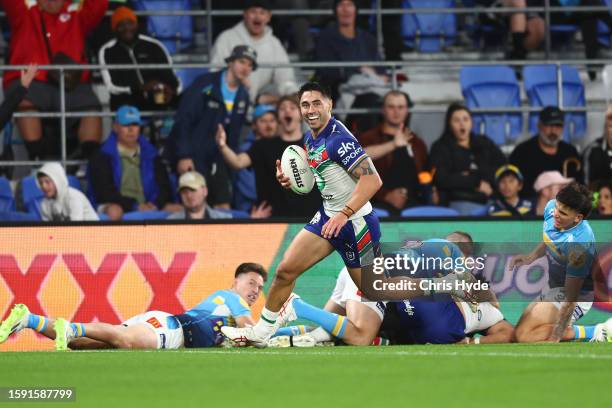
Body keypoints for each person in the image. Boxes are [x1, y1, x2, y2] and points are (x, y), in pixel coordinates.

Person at [220, 82, 481, 347]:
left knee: (375, 288)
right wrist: (291, 180)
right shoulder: (310, 137)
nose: (310, 110)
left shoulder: (339, 140)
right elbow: (322, 179)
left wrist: (343, 214)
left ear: (330, 104)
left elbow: (373, 181)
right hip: (328, 217)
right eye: (305, 104)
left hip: (357, 225)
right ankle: (261, 333)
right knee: (285, 271)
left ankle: (434, 286)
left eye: (316, 103)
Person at [269, 233, 513, 347]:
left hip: (360, 273)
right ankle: (297, 306)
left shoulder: (425, 253)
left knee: (330, 329)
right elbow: (472, 283)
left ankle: (270, 334)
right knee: (361, 335)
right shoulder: (448, 254)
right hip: (372, 280)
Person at [0, 263, 277, 350]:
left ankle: (29, 320)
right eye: (251, 283)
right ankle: (70, 326)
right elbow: (249, 330)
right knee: (125, 342)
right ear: (236, 282)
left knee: (81, 344)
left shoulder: (226, 303)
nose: (256, 291)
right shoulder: (233, 300)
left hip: (163, 323)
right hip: (172, 330)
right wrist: (274, 334)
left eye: (260, 287)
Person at [1, 0, 108, 160]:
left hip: (71, 83)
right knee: (25, 104)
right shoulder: (24, 13)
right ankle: (39, 158)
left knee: (91, 110)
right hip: (32, 79)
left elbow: (97, 5)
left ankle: (89, 162)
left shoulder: (77, 15)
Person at [165, 45, 253, 208]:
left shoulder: (243, 96)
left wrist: (229, 167)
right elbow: (183, 119)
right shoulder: (205, 84)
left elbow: (234, 135)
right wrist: (183, 155)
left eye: (250, 65)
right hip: (194, 155)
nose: (246, 68)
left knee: (223, 207)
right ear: (231, 62)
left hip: (218, 159)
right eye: (242, 62)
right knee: (194, 206)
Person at [510, 182, 599, 343]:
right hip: (554, 287)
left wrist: (557, 335)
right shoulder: (552, 207)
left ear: (578, 218)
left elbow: (571, 298)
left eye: (563, 213)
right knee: (517, 334)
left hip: (576, 297)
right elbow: (551, 238)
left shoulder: (579, 246)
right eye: (557, 208)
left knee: (525, 336)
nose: (555, 214)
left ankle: (596, 331)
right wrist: (531, 256)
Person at [217, 94, 321, 217]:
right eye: (282, 108)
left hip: (311, 219)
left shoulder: (316, 144)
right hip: (273, 220)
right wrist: (222, 145)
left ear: (301, 115)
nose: (287, 110)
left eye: (292, 108)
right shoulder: (262, 146)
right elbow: (238, 163)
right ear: (278, 118)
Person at [88, 105, 175, 221]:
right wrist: (135, 206)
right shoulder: (101, 155)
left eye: (134, 124)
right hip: (115, 204)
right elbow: (104, 193)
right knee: (114, 211)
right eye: (125, 125)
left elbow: (165, 187)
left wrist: (155, 204)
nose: (131, 129)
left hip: (149, 204)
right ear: (115, 127)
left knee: (179, 209)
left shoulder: (151, 153)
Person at [210, 0, 298, 101]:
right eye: (253, 12)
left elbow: (285, 78)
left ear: (269, 17)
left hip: (259, 106)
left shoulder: (274, 44)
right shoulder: (226, 38)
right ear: (245, 14)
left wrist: (292, 95)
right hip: (229, 102)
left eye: (262, 13)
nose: (257, 17)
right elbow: (215, 74)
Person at [359, 90, 429, 214]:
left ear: (407, 110)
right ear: (383, 110)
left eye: (401, 107)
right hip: (377, 203)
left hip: (414, 203)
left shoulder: (417, 142)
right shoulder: (368, 138)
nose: (396, 112)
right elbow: (357, 163)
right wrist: (385, 196)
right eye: (391, 107)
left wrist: (431, 191)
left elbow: (425, 174)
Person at [98, 6, 180, 111]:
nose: (127, 28)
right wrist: (140, 88)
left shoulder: (154, 45)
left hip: (157, 99)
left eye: (130, 23)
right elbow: (112, 87)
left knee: (182, 101)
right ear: (114, 29)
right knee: (121, 103)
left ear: (136, 25)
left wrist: (169, 89)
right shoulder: (107, 50)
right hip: (127, 102)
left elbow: (172, 78)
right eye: (121, 25)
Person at [430, 103, 506, 215]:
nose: (462, 124)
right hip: (460, 202)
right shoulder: (440, 147)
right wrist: (476, 182)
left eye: (465, 119)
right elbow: (442, 178)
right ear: (449, 124)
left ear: (471, 122)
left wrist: (467, 176)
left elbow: (502, 168)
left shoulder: (484, 143)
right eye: (456, 120)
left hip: (492, 198)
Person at [504, 0, 612, 79]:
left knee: (590, 13)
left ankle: (592, 60)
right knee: (591, 8)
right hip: (550, 10)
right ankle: (592, 61)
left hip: (567, 8)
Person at [313, 0, 387, 100]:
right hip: (339, 90)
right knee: (370, 99)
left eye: (349, 5)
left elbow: (381, 70)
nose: (346, 10)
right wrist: (359, 69)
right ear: (335, 10)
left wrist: (378, 75)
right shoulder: (325, 38)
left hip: (370, 85)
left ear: (356, 10)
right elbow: (326, 71)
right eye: (341, 5)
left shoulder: (368, 39)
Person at [510, 106, 581, 199]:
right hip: (529, 210)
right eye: (549, 125)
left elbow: (580, 186)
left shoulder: (570, 152)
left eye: (558, 126)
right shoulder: (522, 152)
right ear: (539, 125)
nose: (553, 130)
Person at [582, 106, 612, 187]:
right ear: (605, 128)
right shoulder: (592, 150)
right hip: (598, 198)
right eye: (611, 126)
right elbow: (586, 184)